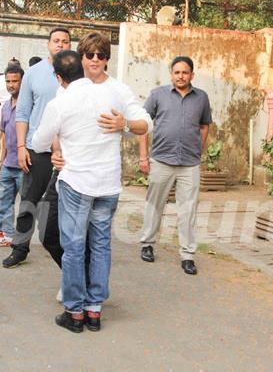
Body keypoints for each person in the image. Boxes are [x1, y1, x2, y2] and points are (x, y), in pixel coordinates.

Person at [32, 50, 149, 333]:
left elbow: (38, 143)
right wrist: (127, 126)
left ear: (59, 78)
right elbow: (144, 122)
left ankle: (74, 312)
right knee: (100, 245)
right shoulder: (112, 95)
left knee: (73, 247)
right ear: (83, 67)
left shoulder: (61, 102)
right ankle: (94, 311)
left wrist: (56, 150)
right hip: (108, 183)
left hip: (76, 183)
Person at [2, 28, 71, 269]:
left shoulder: (78, 73)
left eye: (65, 41)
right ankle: (19, 247)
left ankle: (66, 250)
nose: (60, 45)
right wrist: (21, 146)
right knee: (29, 201)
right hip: (37, 149)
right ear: (48, 44)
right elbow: (22, 113)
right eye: (56, 41)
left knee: (65, 204)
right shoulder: (34, 73)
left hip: (69, 151)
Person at [138, 56, 212, 275]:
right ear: (171, 74)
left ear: (192, 75)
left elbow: (204, 125)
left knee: (188, 210)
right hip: (161, 159)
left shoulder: (201, 98)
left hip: (190, 163)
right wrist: (143, 157)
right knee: (155, 204)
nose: (181, 76)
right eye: (177, 72)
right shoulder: (157, 95)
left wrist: (199, 148)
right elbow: (143, 125)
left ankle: (188, 255)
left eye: (185, 72)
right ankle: (147, 244)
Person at [0, 64, 25, 247]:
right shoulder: (5, 107)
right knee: (3, 201)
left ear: (22, 82)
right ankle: (7, 235)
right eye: (8, 81)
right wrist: (0, 163)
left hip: (25, 165)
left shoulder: (29, 106)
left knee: (28, 204)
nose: (11, 85)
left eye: (15, 81)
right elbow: (3, 137)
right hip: (8, 164)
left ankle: (25, 239)